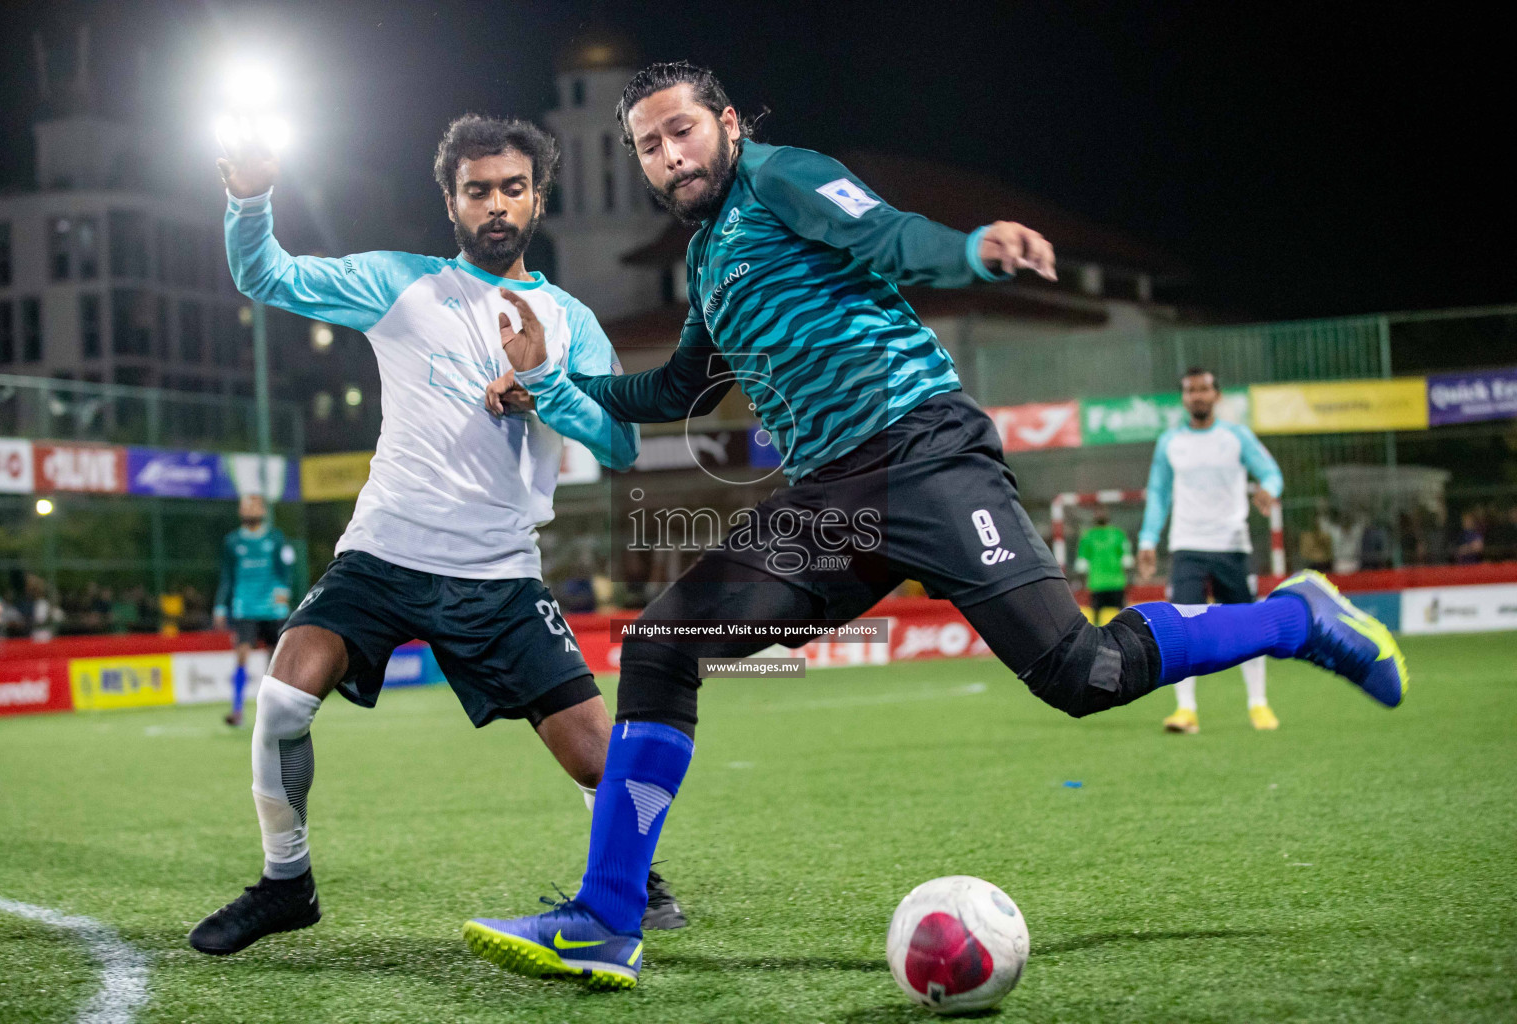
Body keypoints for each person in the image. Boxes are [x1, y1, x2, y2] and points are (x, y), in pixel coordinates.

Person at [466, 63, 1408, 990]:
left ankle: (1297, 619)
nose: (670, 157)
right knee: (664, 644)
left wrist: (968, 252)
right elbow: (676, 388)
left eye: (683, 131)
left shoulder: (783, 177)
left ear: (729, 125)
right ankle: (606, 919)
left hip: (924, 458)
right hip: (829, 497)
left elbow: (884, 234)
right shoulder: (710, 257)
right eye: (648, 147)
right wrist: (554, 378)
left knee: (1084, 675)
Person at [187, 114, 686, 959]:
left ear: (539, 197)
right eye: (478, 191)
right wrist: (251, 194)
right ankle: (286, 883)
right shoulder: (398, 283)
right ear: (451, 201)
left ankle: (633, 877)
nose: (497, 206)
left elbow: (620, 443)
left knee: (605, 763)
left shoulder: (569, 322)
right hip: (383, 553)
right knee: (281, 699)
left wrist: (543, 383)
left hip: (499, 573)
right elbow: (263, 275)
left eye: (513, 189)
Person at [1137, 368, 1285, 734]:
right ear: (1183, 397)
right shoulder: (1170, 442)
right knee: (1179, 629)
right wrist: (1147, 539)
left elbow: (1271, 473)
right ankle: (1185, 710)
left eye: (1204, 389)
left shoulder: (1236, 437)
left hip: (1231, 546)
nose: (1197, 396)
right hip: (1187, 546)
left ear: (1216, 395)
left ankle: (1259, 704)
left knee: (1250, 627)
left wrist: (1268, 488)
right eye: (1190, 390)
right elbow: (1158, 493)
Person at [213, 493, 296, 727]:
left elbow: (285, 571)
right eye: (245, 505)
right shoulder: (232, 542)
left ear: (262, 510)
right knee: (242, 654)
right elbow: (227, 576)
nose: (249, 509)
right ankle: (237, 709)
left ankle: (276, 710)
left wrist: (283, 594)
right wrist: (220, 605)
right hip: (245, 607)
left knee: (275, 659)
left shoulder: (275, 538)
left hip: (272, 608)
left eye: (254, 505)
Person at [1074, 508, 1132, 625]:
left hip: (1097, 582)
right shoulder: (1117, 534)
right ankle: (1127, 630)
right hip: (1116, 581)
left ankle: (1095, 638)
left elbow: (1082, 563)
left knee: (1096, 616)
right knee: (1123, 613)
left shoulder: (1088, 536)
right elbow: (1127, 560)